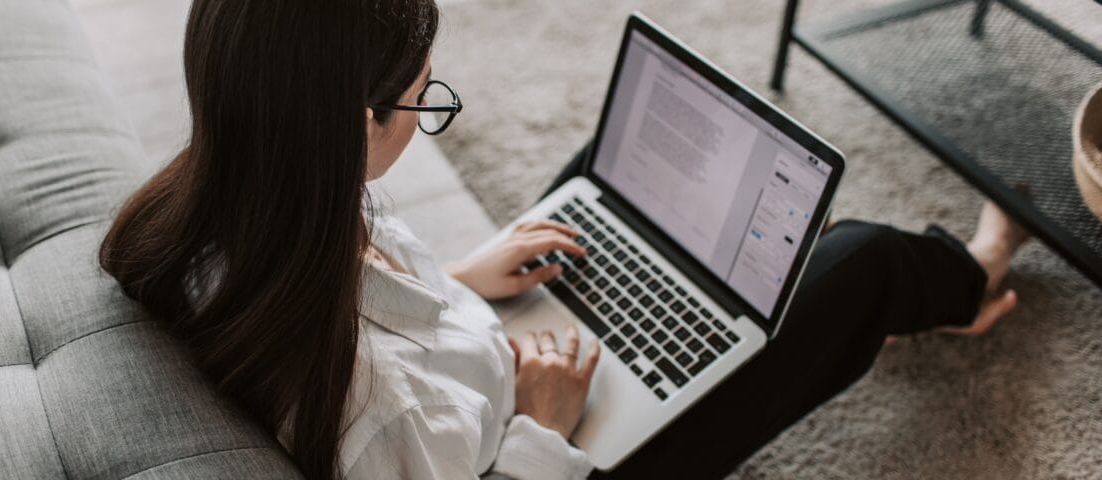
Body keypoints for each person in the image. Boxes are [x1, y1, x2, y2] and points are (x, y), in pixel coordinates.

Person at [98, 1, 1030, 478]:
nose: (429, 107)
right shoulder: (375, 417)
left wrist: (458, 279)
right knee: (861, 261)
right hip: (556, 447)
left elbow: (349, 298)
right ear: (349, 123)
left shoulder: (234, 201)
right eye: (422, 101)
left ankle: (759, 262)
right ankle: (970, 278)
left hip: (481, 354)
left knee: (608, 179)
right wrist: (541, 427)